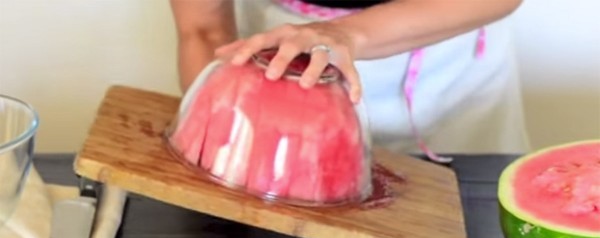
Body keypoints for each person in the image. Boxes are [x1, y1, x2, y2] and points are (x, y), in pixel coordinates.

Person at [168, 0, 531, 160]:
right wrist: (220, 139)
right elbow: (204, 29)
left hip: (447, 67)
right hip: (281, 61)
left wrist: (345, 34)